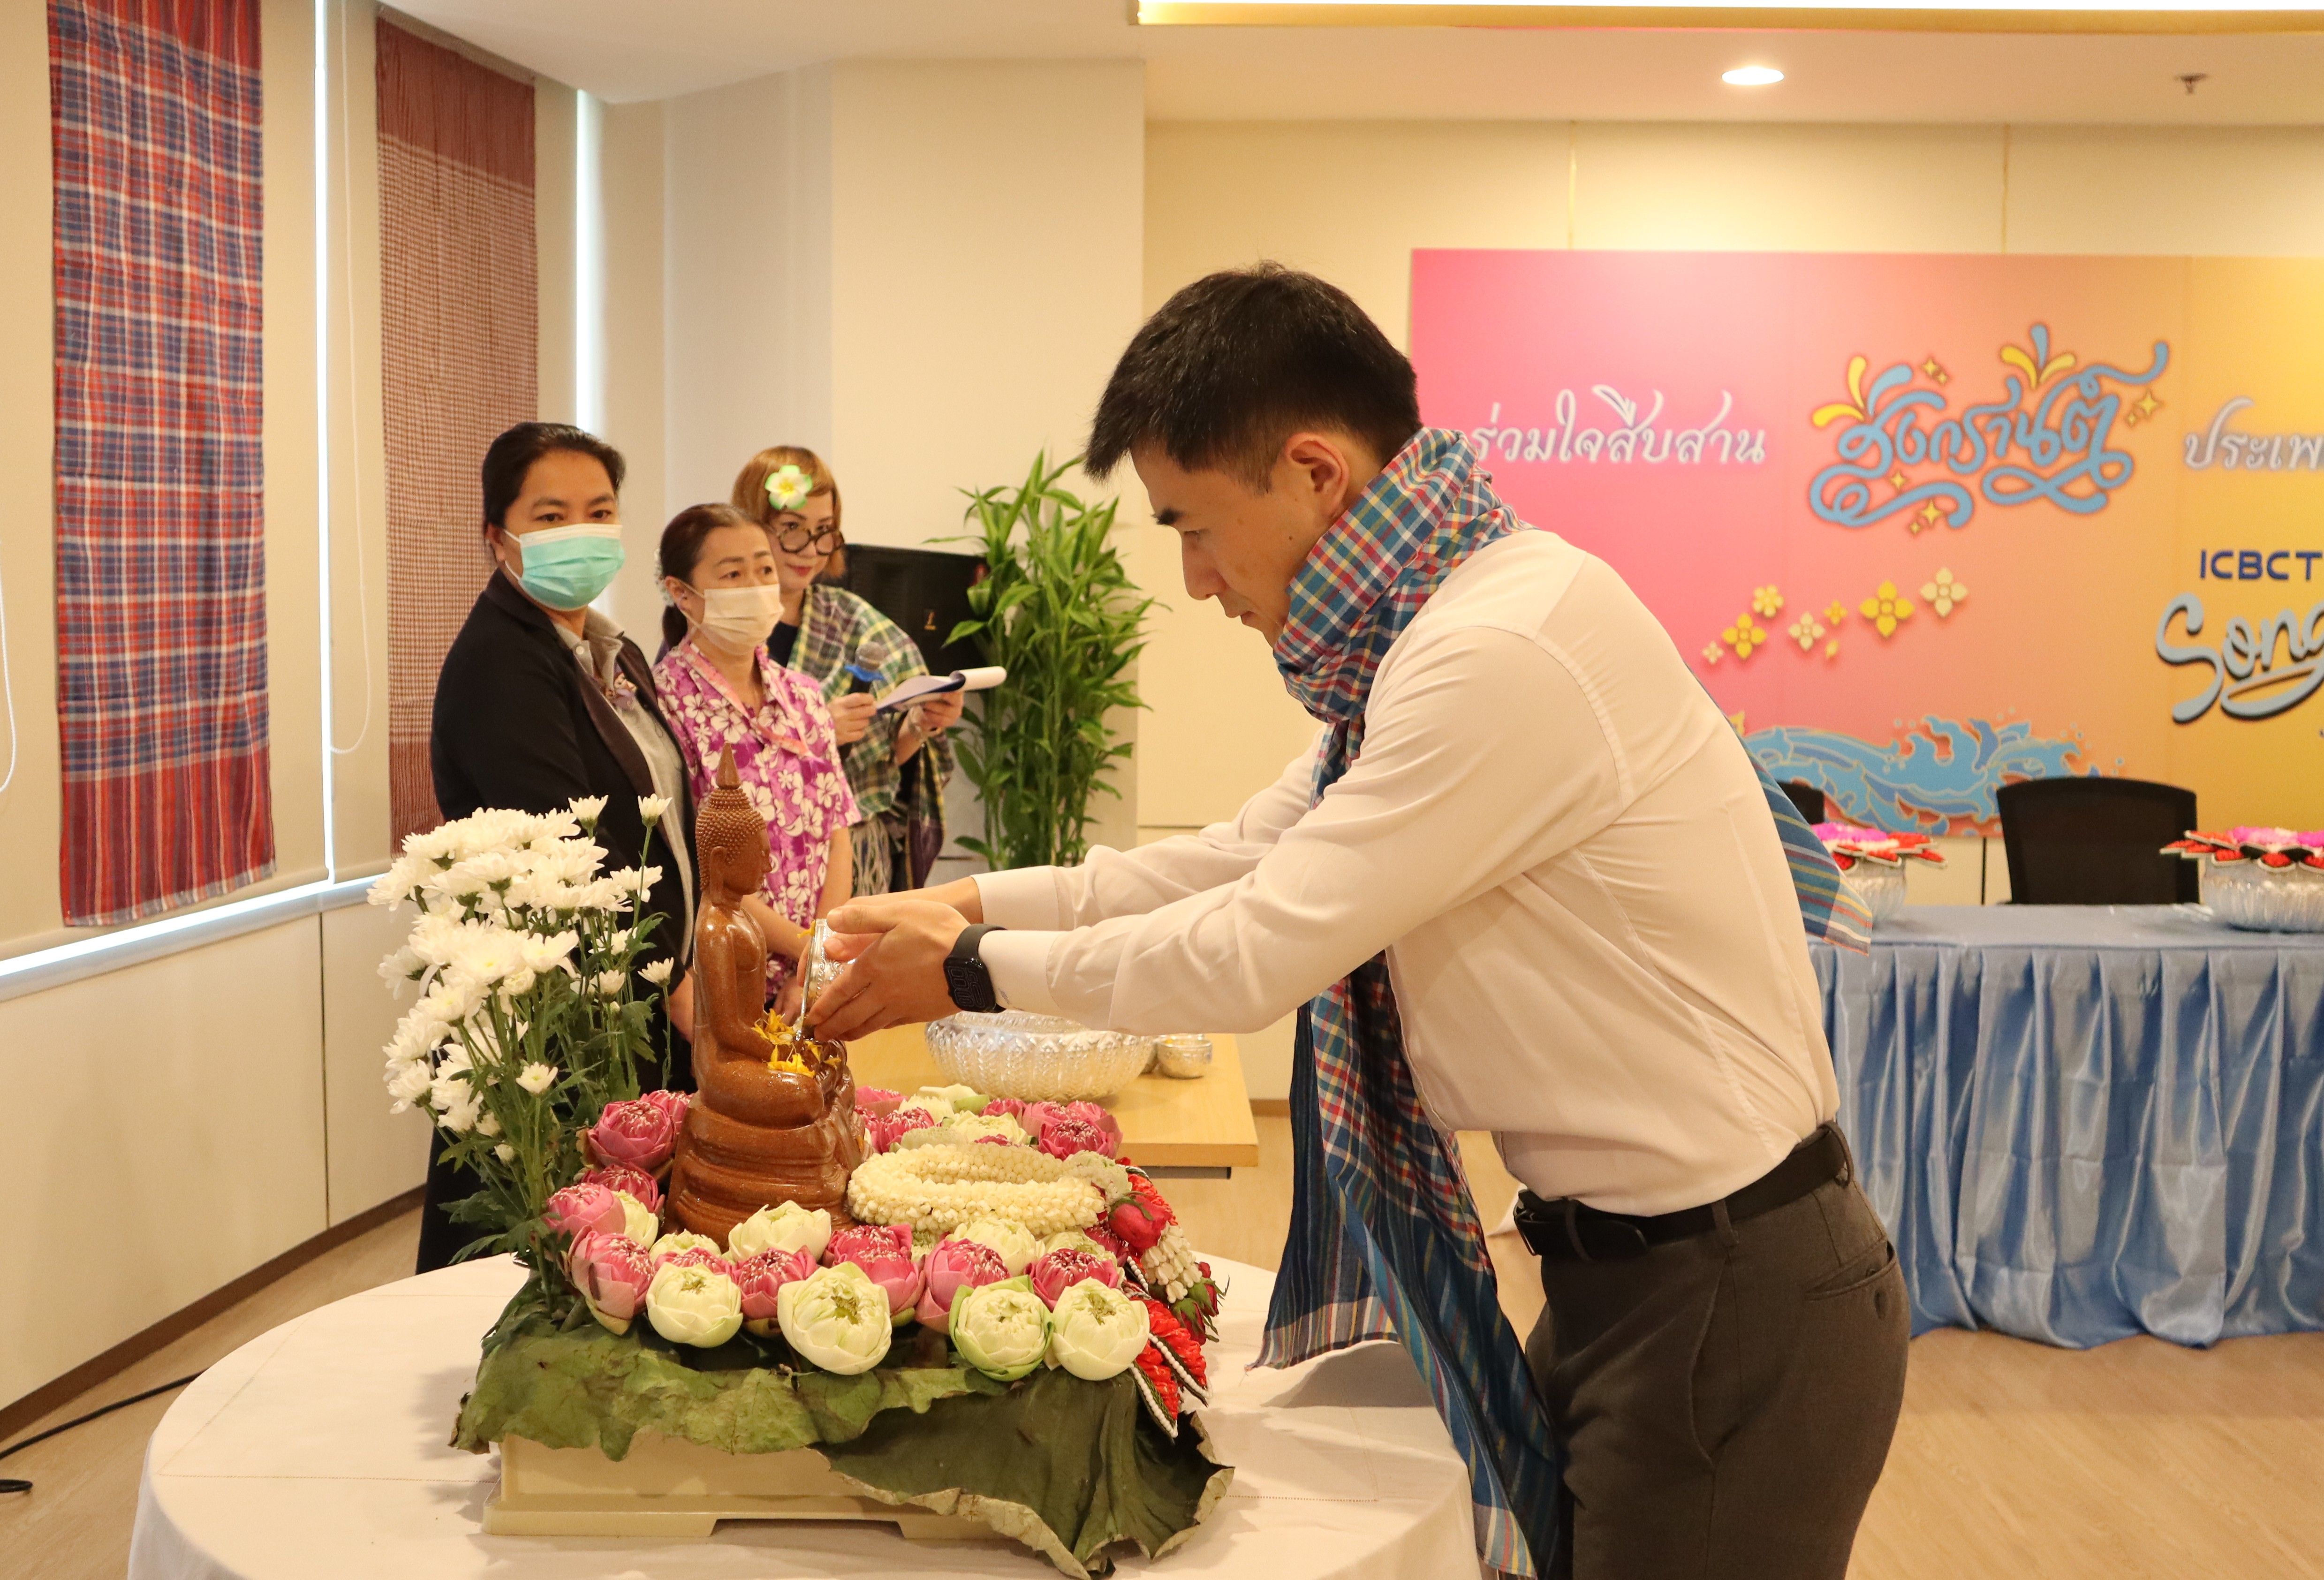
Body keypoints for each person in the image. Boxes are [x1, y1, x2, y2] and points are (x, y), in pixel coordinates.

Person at [808, 266, 1908, 1580]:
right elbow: (1240, 858)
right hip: (1644, 1270)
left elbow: (1254, 949)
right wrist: (972, 902)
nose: (1197, 581)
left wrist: (970, 971)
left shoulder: (1493, 652)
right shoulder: (1437, 627)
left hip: (1724, 1288)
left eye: (1195, 527)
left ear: (1315, 474)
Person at [424, 421, 697, 1274]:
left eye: (599, 511)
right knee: (549, 1255)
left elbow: (661, 819)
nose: (580, 531)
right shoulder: (502, 663)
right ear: (497, 535)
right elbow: (570, 851)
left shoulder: (611, 651)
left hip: (635, 996)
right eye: (551, 516)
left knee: (627, 1252)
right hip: (563, 1010)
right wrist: (673, 981)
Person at [731, 446, 964, 894]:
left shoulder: (858, 625)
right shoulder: (721, 628)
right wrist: (818, 728)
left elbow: (879, 770)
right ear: (752, 526)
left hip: (850, 859)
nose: (810, 550)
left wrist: (918, 726)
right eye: (792, 529)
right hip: (749, 858)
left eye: (824, 531)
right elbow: (706, 751)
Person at [652, 502, 858, 1005]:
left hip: (812, 980)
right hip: (721, 985)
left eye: (764, 569)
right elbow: (698, 865)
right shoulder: (663, 704)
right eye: (733, 574)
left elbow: (838, 833)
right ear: (682, 593)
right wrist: (807, 950)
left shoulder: (803, 696)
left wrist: (818, 961)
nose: (756, 585)